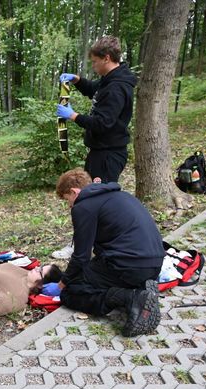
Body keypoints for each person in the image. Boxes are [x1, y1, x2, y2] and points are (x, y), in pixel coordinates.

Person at [45, 169, 165, 337]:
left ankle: (131, 297)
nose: (69, 205)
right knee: (92, 273)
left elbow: (81, 256)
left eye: (67, 200)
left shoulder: (83, 206)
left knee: (71, 291)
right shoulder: (121, 196)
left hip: (128, 265)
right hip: (155, 264)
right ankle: (140, 286)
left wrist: (61, 285)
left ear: (74, 191)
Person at [53, 35, 137, 260]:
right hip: (100, 152)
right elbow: (94, 90)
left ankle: (95, 248)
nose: (93, 66)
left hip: (109, 155)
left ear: (106, 58)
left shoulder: (117, 87)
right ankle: (86, 244)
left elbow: (103, 124)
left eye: (94, 62)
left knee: (96, 203)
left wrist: (73, 116)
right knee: (88, 200)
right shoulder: (110, 80)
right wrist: (78, 80)